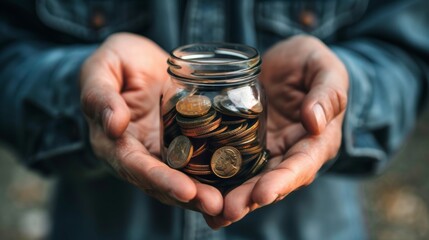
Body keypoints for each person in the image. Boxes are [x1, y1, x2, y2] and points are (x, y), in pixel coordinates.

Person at [0, 0, 428, 239]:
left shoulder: (251, 90)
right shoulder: (181, 89)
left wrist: (343, 92)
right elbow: (9, 52)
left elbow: (408, 55)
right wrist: (82, 90)